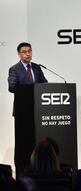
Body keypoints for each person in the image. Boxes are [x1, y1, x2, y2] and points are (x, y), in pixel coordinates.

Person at [8, 42, 48, 177]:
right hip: (22, 112)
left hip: (38, 110)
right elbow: (12, 87)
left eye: (29, 51)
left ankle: (39, 167)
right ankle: (23, 170)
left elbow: (45, 84)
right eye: (24, 51)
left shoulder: (37, 68)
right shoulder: (14, 69)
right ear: (19, 54)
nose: (27, 54)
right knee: (23, 143)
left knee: (38, 140)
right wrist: (30, 89)